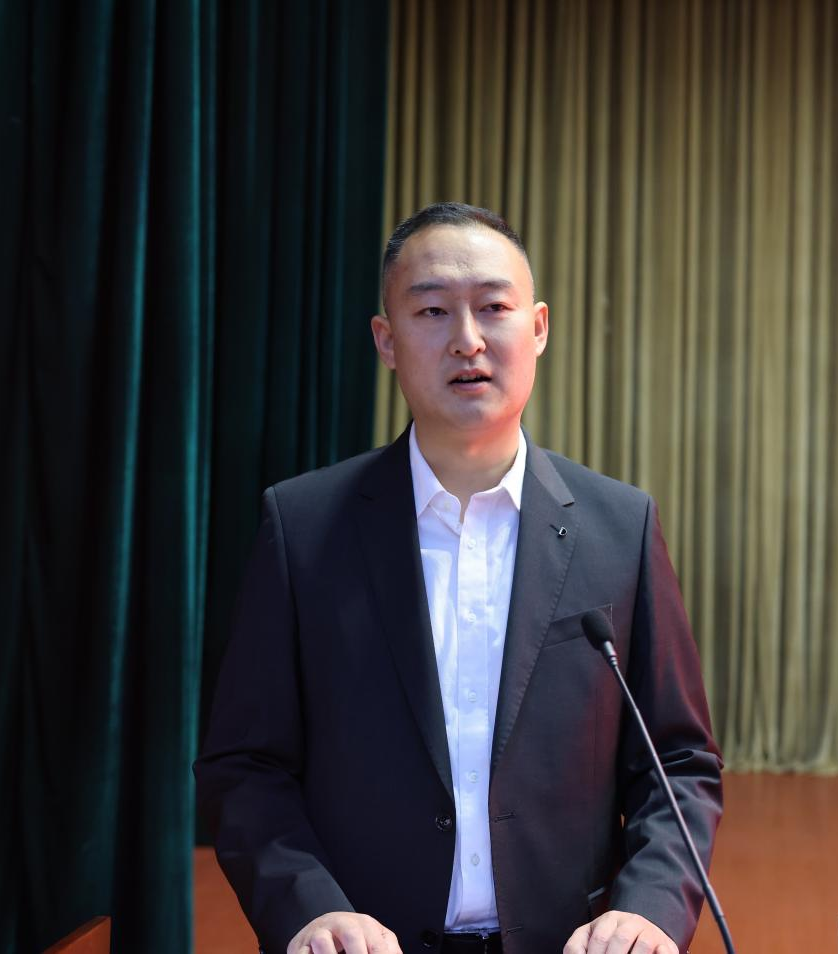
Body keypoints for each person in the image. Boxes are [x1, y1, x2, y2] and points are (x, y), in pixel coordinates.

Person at [195, 203, 723, 954]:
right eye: (433, 311)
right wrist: (308, 909)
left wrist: (649, 910)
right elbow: (245, 766)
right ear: (386, 340)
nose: (468, 340)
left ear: (538, 328)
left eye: (494, 308)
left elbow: (679, 764)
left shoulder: (620, 528)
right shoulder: (304, 528)